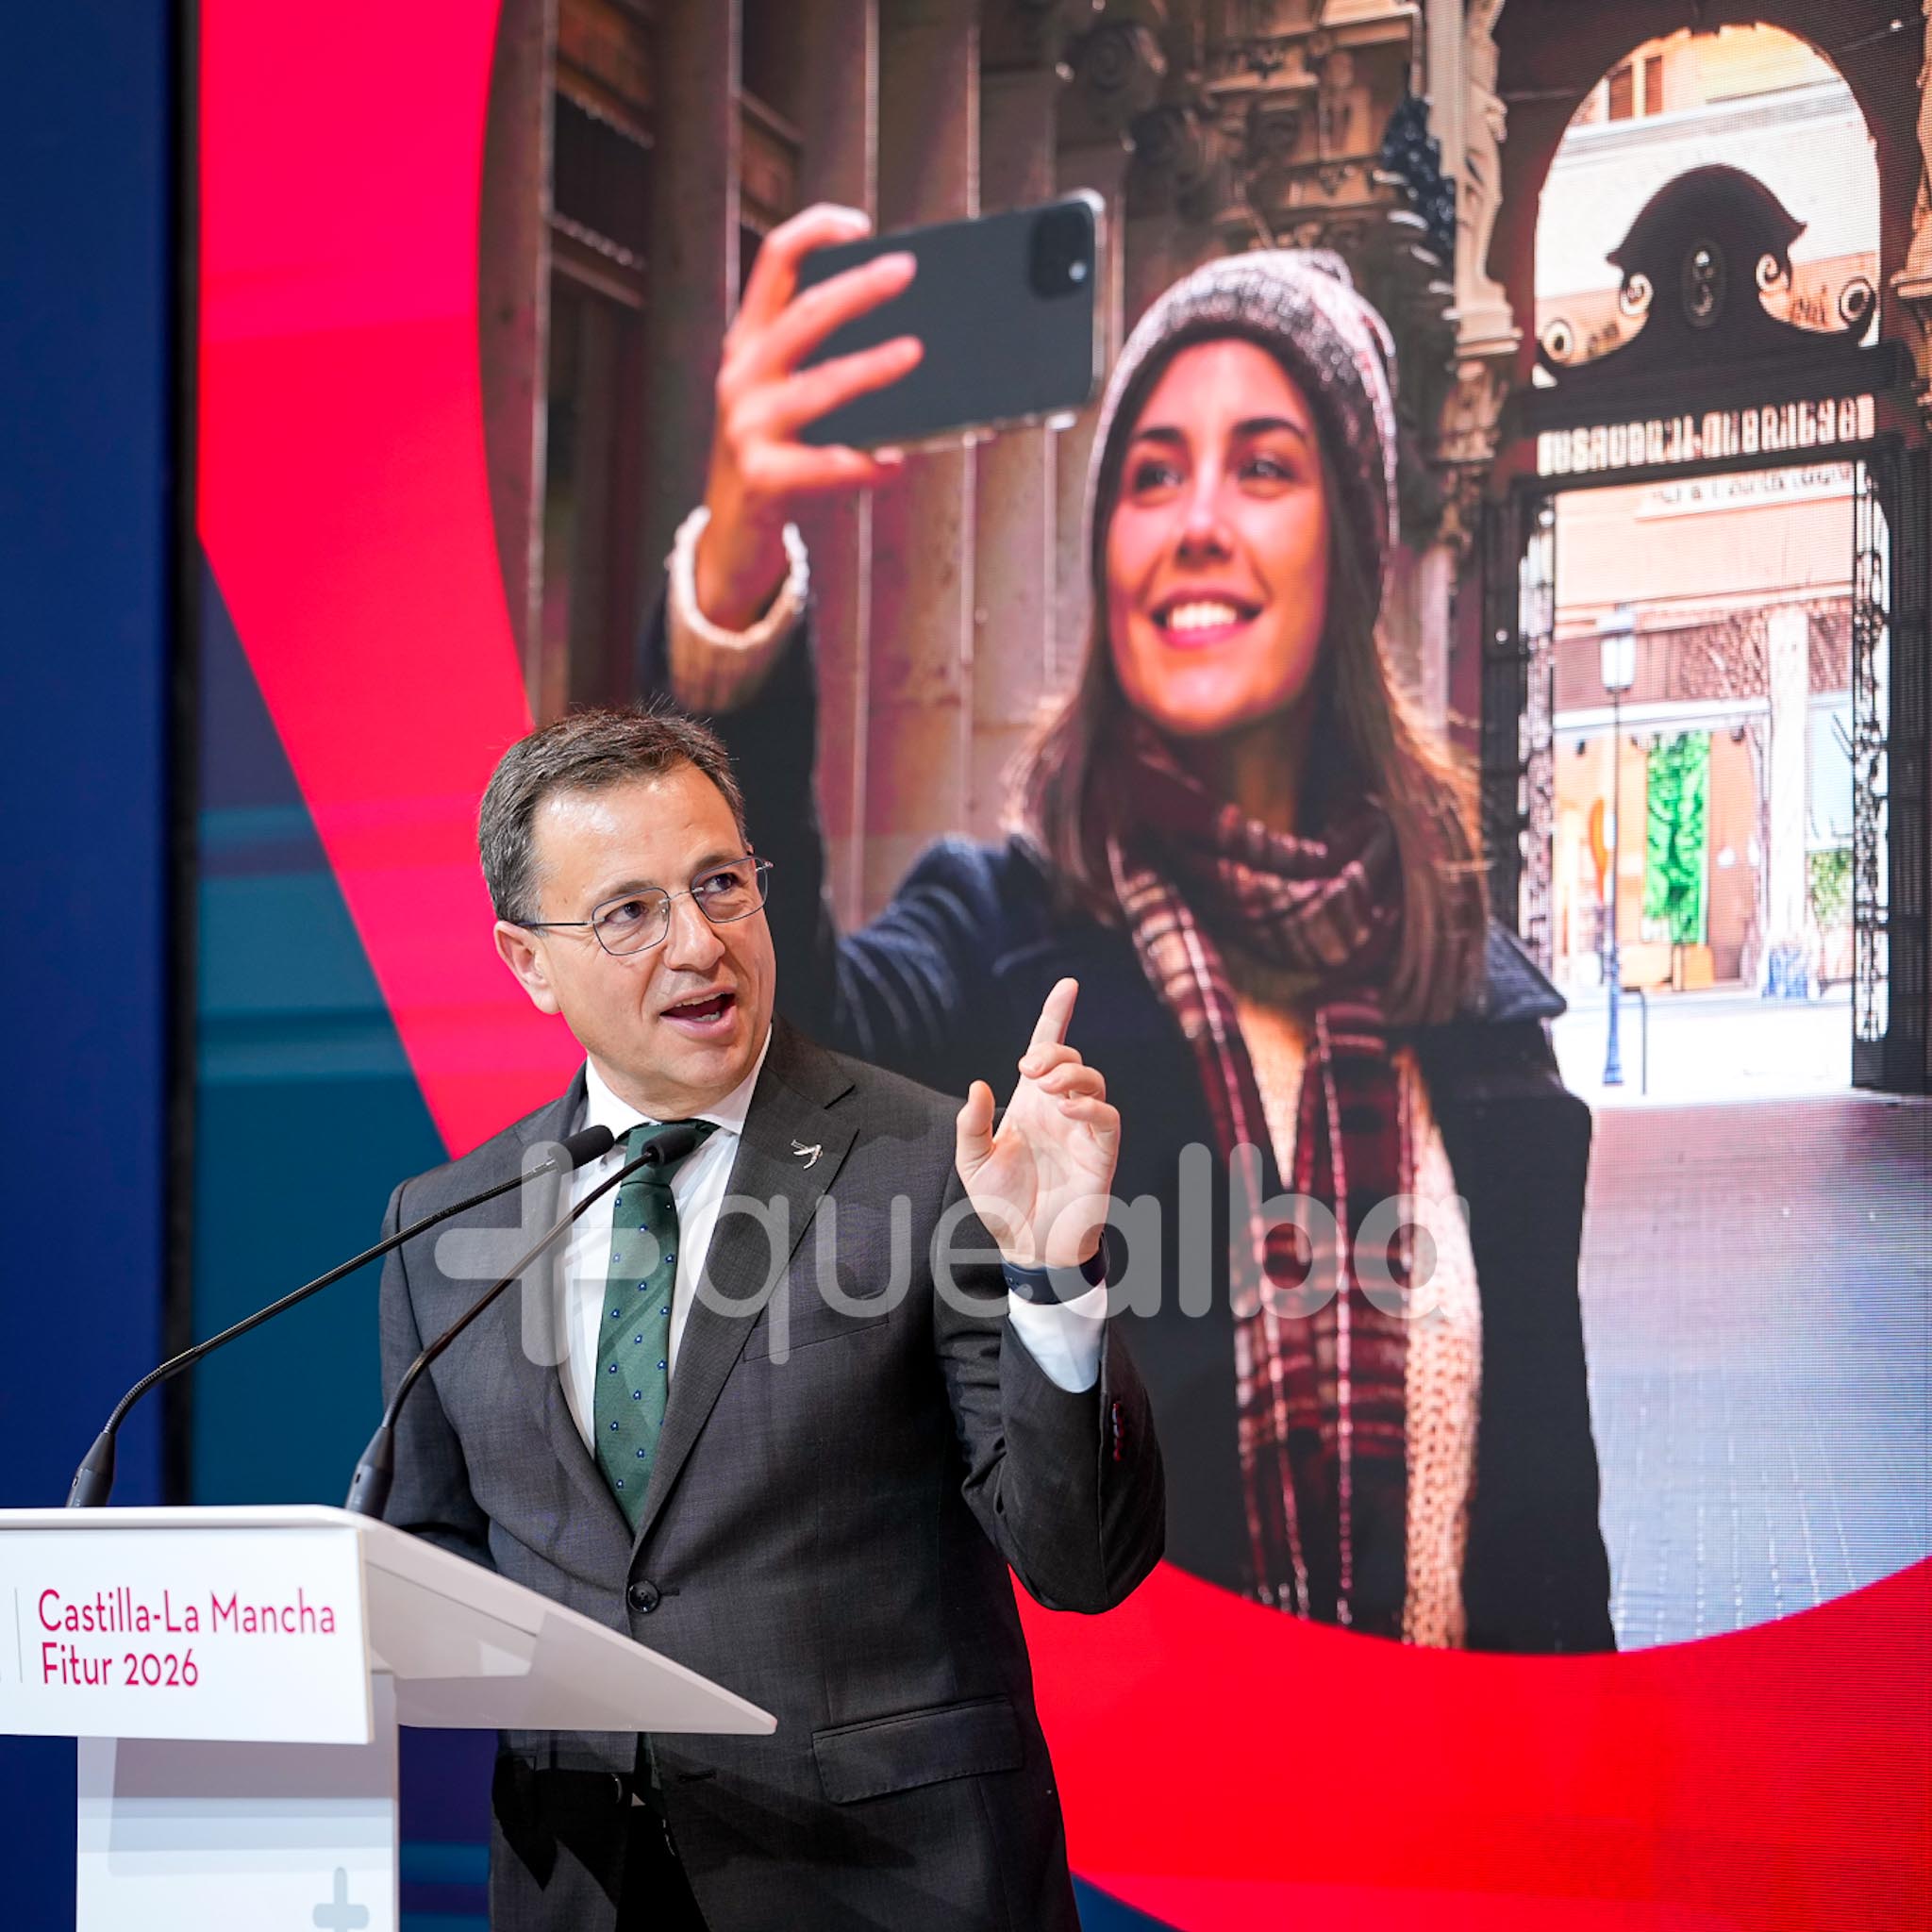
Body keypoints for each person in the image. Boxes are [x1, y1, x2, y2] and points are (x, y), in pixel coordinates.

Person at [641, 204, 1615, 1655]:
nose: (1197, 520)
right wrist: (732, 602)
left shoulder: (1471, 1007)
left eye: (1264, 467)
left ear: (1354, 546)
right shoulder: (995, 951)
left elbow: (1547, 1548)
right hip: (1114, 1795)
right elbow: (766, 1054)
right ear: (1110, 555)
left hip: (1452, 1791)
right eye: (1151, 475)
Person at [375, 706, 1164, 1932]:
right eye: (630, 913)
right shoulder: (445, 1225)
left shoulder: (929, 1165)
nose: (700, 944)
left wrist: (1052, 1275)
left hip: (892, 1891)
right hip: (586, 1890)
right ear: (528, 962)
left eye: (720, 885)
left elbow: (1082, 1563)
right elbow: (430, 1567)